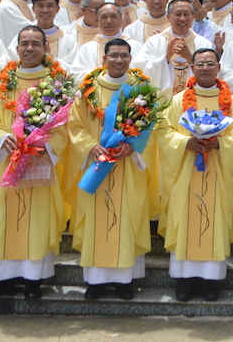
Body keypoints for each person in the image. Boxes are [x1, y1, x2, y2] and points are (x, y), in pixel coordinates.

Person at [0, 26, 69, 299]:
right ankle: (2, 279)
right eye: (24, 43)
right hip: (7, 160)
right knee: (4, 219)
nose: (29, 48)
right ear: (16, 49)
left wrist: (44, 144)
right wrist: (1, 137)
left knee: (36, 220)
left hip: (39, 160)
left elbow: (65, 126)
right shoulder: (2, 82)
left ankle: (33, 280)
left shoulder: (56, 82)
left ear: (45, 48)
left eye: (35, 44)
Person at [67, 39, 156, 299]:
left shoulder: (141, 89)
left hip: (127, 166)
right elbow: (75, 125)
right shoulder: (88, 89)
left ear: (130, 59)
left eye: (124, 56)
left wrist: (135, 147)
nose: (119, 60)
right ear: (104, 59)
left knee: (126, 218)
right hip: (97, 164)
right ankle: (95, 282)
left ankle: (124, 281)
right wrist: (91, 145)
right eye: (113, 55)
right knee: (97, 219)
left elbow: (153, 130)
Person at [157, 47, 233, 302]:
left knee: (212, 223)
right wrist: (185, 143)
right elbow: (164, 132)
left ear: (218, 67)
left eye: (210, 63)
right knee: (186, 221)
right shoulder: (178, 100)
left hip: (217, 170)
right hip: (186, 172)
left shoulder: (232, 103)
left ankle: (210, 282)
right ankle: (184, 280)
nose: (205, 68)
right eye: (200, 64)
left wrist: (220, 144)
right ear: (192, 68)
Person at [134, 0, 213, 95]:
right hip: (163, 103)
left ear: (193, 16)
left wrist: (190, 58)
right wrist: (166, 57)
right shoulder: (154, 42)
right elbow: (141, 70)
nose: (182, 18)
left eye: (186, 14)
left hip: (193, 101)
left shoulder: (203, 44)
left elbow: (212, 73)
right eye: (178, 14)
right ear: (168, 17)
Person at [5, 0, 79, 66]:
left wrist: (50, 59)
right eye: (40, 6)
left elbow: (73, 70)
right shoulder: (22, 38)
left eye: (50, 6)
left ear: (57, 9)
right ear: (33, 9)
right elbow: (10, 64)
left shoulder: (69, 42)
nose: (45, 10)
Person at [70, 3, 141, 78]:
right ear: (98, 21)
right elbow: (76, 74)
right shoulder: (87, 48)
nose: (109, 21)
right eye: (103, 17)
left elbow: (141, 73)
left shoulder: (135, 46)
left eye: (113, 16)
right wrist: (102, 69)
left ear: (121, 19)